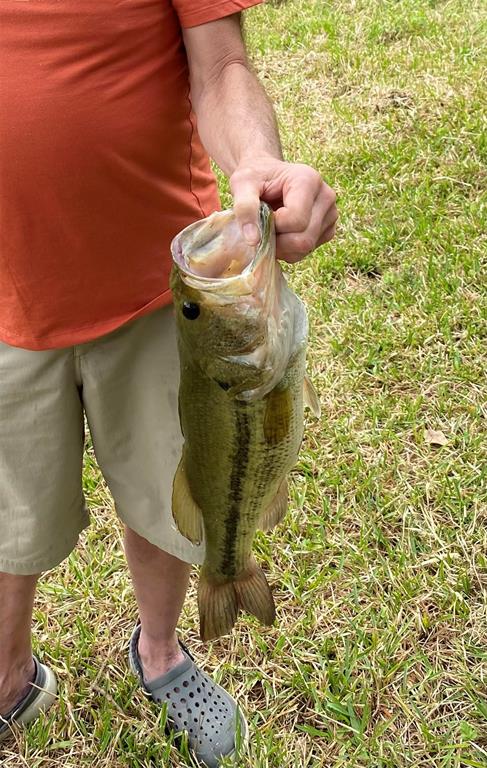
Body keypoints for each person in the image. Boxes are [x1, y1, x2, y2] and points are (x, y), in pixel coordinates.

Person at [0, 2, 337, 766]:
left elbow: (219, 65)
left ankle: (160, 652)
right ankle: (6, 679)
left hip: (161, 292)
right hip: (4, 298)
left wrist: (256, 162)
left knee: (174, 492)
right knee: (7, 515)